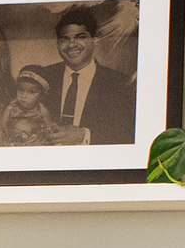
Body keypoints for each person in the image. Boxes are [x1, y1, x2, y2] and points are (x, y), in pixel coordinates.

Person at [42, 8, 135, 147]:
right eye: (64, 39)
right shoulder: (44, 76)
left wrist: (84, 135)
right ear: (57, 43)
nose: (71, 44)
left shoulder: (121, 83)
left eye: (80, 37)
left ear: (94, 39)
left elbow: (128, 134)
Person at [0, 68, 59, 146]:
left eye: (31, 92)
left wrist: (40, 137)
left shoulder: (42, 111)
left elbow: (49, 132)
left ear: (41, 95)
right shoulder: (11, 108)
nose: (23, 96)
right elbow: (1, 130)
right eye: (21, 90)